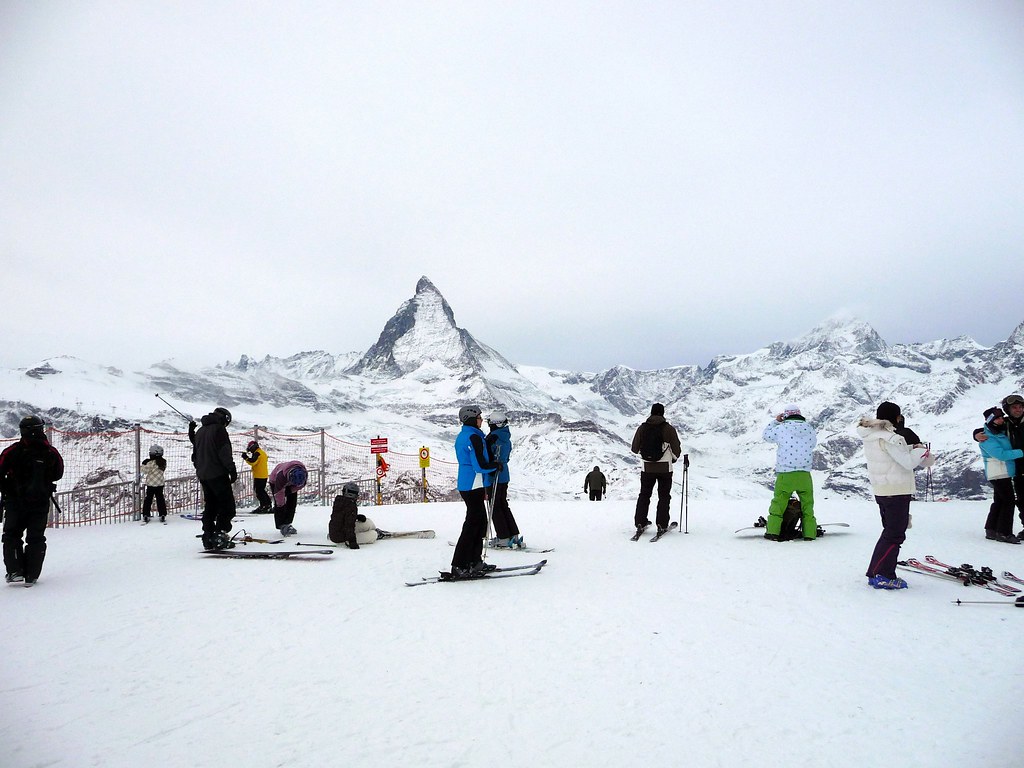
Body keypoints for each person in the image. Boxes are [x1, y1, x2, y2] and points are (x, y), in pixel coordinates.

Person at [857, 401, 934, 590]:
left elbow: (896, 458)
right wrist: (919, 450)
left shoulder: (872, 435)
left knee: (890, 533)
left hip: (883, 489)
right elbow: (907, 463)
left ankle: (878, 572)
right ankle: (882, 574)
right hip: (897, 490)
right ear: (897, 417)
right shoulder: (891, 437)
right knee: (895, 534)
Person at [1, 415, 64, 585]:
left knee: (11, 535)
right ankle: (32, 574)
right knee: (36, 537)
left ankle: (15, 571)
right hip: (41, 502)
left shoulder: (13, 451)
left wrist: (7, 486)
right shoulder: (51, 452)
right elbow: (58, 474)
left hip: (15, 502)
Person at [451, 404, 502, 578]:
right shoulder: (473, 437)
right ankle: (460, 564)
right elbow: (480, 465)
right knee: (472, 525)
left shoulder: (467, 435)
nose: (482, 420)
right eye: (479, 417)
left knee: (479, 522)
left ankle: (474, 561)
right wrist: (495, 465)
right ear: (471, 419)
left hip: (471, 483)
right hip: (473, 483)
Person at [761, 404, 817, 541]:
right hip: (804, 473)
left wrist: (776, 421)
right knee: (807, 505)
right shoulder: (809, 429)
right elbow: (813, 444)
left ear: (786, 415)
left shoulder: (781, 428)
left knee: (779, 503)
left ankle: (773, 532)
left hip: (786, 472)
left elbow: (766, 436)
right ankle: (810, 533)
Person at [189, 407, 238, 550]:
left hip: (204, 474)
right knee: (227, 506)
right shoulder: (219, 430)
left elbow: (195, 455)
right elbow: (224, 452)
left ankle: (208, 535)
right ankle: (220, 536)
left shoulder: (200, 431)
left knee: (211, 505)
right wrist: (231, 469)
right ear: (224, 419)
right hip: (217, 473)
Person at [630, 403, 682, 536]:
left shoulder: (642, 428)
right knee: (664, 496)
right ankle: (662, 524)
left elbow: (634, 448)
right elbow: (676, 449)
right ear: (663, 413)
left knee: (644, 495)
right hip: (665, 469)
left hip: (647, 468)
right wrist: (673, 459)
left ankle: (640, 522)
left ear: (651, 413)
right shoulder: (668, 429)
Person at [978, 407, 1022, 544]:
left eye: (1001, 417)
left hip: (1001, 472)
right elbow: (1000, 455)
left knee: (1000, 500)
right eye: (997, 418)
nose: (1001, 420)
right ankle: (1004, 532)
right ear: (991, 420)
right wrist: (1021, 452)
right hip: (999, 472)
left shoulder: (997, 432)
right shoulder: (988, 437)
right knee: (1008, 501)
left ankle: (991, 529)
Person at [485, 411, 522, 548]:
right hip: (504, 473)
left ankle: (503, 536)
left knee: (494, 506)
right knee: (502, 504)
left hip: (493, 473)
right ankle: (513, 534)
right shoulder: (506, 436)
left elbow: (487, 456)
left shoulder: (492, 438)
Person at [1000, 393, 1024, 537]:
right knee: (1022, 500)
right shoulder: (1006, 423)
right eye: (1014, 407)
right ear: (1008, 410)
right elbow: (988, 428)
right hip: (1018, 468)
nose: (1019, 410)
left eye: (1021, 407)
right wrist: (976, 434)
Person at [328, 482, 379, 548]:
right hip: (342, 535)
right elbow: (349, 526)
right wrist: (352, 541)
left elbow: (342, 517)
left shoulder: (340, 501)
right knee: (373, 535)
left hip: (336, 531)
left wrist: (356, 517)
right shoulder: (350, 505)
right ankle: (346, 541)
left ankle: (374, 531)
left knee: (368, 522)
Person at [268, 460, 307, 537]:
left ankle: (288, 523)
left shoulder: (303, 474)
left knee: (292, 502)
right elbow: (279, 494)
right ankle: (281, 525)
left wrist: (291, 490)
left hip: (291, 483)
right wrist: (281, 505)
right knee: (279, 503)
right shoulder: (281, 476)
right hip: (275, 482)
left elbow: (301, 485)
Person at [241, 440, 271, 513]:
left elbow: (253, 462)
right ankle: (267, 505)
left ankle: (264, 506)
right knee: (261, 491)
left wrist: (246, 457)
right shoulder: (261, 452)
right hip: (262, 475)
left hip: (259, 475)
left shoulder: (258, 453)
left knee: (259, 492)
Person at [140, 444, 168, 524]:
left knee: (148, 499)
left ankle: (146, 514)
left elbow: (144, 471)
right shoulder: (163, 462)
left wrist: (143, 464)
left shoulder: (150, 463)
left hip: (151, 484)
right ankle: (162, 514)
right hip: (160, 484)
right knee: (160, 499)